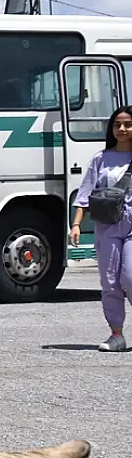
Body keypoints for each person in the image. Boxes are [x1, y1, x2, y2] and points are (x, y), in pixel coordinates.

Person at [70, 105, 132, 352]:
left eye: (127, 124)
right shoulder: (100, 158)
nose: (122, 129)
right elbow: (85, 192)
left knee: (130, 277)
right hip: (106, 227)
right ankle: (116, 335)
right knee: (109, 282)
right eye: (117, 124)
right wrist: (76, 224)